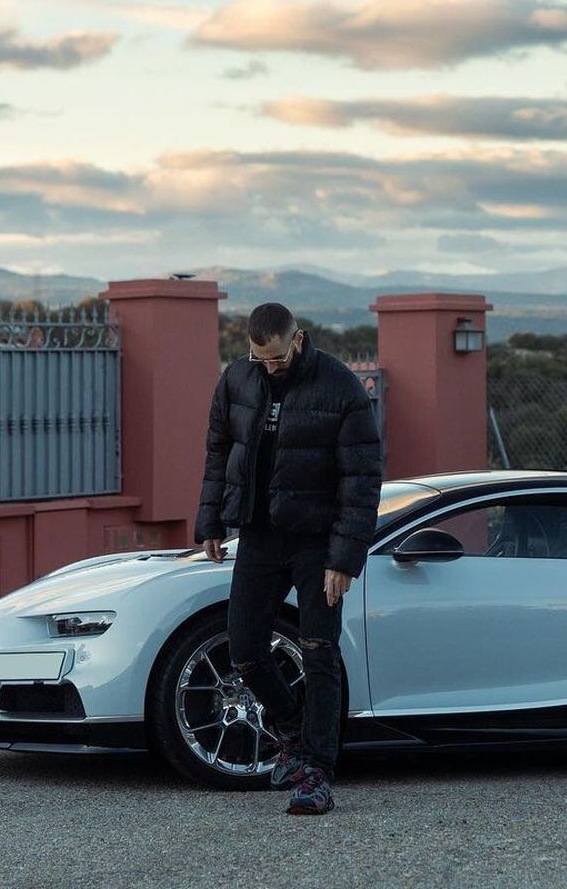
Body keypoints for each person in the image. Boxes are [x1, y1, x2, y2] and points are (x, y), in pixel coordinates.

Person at [194, 302, 382, 815]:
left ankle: (316, 774)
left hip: (318, 541)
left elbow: (361, 479)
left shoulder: (339, 386)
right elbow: (218, 453)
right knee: (245, 648)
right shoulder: (237, 379)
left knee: (319, 649)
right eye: (259, 358)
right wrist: (210, 522)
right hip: (259, 535)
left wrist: (344, 558)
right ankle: (298, 735)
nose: (269, 366)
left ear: (296, 340)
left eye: (276, 357)